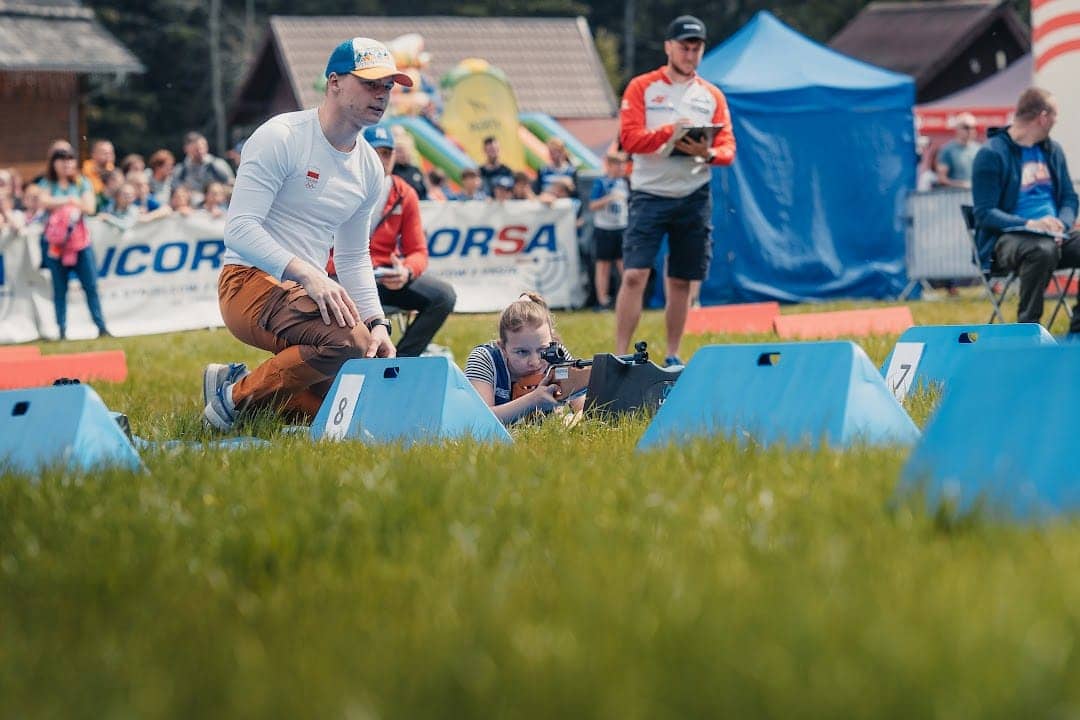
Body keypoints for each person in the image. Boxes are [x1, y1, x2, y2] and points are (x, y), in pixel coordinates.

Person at [202, 37, 411, 430]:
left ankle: (234, 384)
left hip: (301, 293)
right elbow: (239, 229)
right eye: (370, 83)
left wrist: (378, 323)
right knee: (348, 342)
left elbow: (352, 257)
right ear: (334, 83)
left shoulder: (369, 166)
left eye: (387, 86)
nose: (382, 94)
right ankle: (232, 402)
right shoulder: (281, 135)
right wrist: (309, 274)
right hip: (246, 281)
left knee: (341, 409)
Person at [616, 14, 735, 367]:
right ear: (668, 47)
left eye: (696, 48)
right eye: (684, 47)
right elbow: (628, 139)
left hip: (693, 194)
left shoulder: (711, 94)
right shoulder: (642, 87)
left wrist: (707, 152)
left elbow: (728, 148)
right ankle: (619, 355)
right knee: (634, 274)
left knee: (682, 280)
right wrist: (670, 132)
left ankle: (672, 354)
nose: (690, 54)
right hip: (649, 193)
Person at [327, 125, 457, 357]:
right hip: (341, 276)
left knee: (443, 296)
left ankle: (402, 360)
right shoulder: (338, 186)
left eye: (387, 153)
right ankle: (351, 357)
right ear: (361, 153)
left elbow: (418, 251)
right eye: (375, 153)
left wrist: (405, 271)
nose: (381, 159)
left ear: (395, 156)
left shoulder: (404, 193)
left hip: (384, 277)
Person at [972, 87, 1080, 332]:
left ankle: (1077, 334)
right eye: (1055, 115)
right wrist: (1031, 224)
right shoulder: (991, 154)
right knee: (1041, 250)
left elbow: (1069, 198)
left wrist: (1060, 224)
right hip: (1007, 240)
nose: (1056, 121)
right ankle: (1028, 330)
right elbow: (984, 213)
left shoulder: (1052, 151)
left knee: (1047, 246)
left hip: (1055, 235)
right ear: (1043, 117)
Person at [464, 292, 584, 425]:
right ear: (502, 348)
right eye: (522, 352)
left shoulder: (557, 355)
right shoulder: (484, 359)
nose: (534, 362)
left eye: (542, 350)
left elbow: (587, 410)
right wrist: (533, 400)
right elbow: (479, 419)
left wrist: (571, 421)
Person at [38, 146, 110, 339]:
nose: (67, 164)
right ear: (54, 163)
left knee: (90, 285)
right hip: (56, 245)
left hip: (79, 243)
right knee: (60, 288)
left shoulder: (81, 182)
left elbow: (90, 207)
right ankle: (61, 330)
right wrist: (71, 200)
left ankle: (101, 327)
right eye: (62, 160)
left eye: (70, 159)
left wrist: (63, 202)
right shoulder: (47, 183)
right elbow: (43, 202)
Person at [589, 151, 630, 310]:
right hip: (604, 229)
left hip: (622, 228)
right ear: (610, 165)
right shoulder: (601, 182)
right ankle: (603, 301)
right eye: (618, 164)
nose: (622, 168)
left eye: (623, 164)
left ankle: (628, 299)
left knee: (624, 265)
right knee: (603, 266)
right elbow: (592, 205)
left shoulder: (625, 182)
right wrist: (609, 198)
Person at [172, 131, 235, 207]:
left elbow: (232, 186)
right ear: (186, 149)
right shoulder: (180, 170)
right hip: (191, 209)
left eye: (203, 147)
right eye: (196, 149)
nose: (200, 151)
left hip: (219, 208)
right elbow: (175, 192)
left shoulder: (218, 165)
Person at [936, 112, 981, 189]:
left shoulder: (979, 149)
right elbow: (941, 179)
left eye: (974, 127)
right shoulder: (948, 150)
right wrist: (961, 185)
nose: (970, 130)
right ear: (957, 129)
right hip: (955, 194)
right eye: (966, 127)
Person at [390, 125, 428, 200]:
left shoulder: (415, 170)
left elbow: (423, 192)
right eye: (399, 151)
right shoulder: (391, 170)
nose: (402, 154)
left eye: (404, 150)